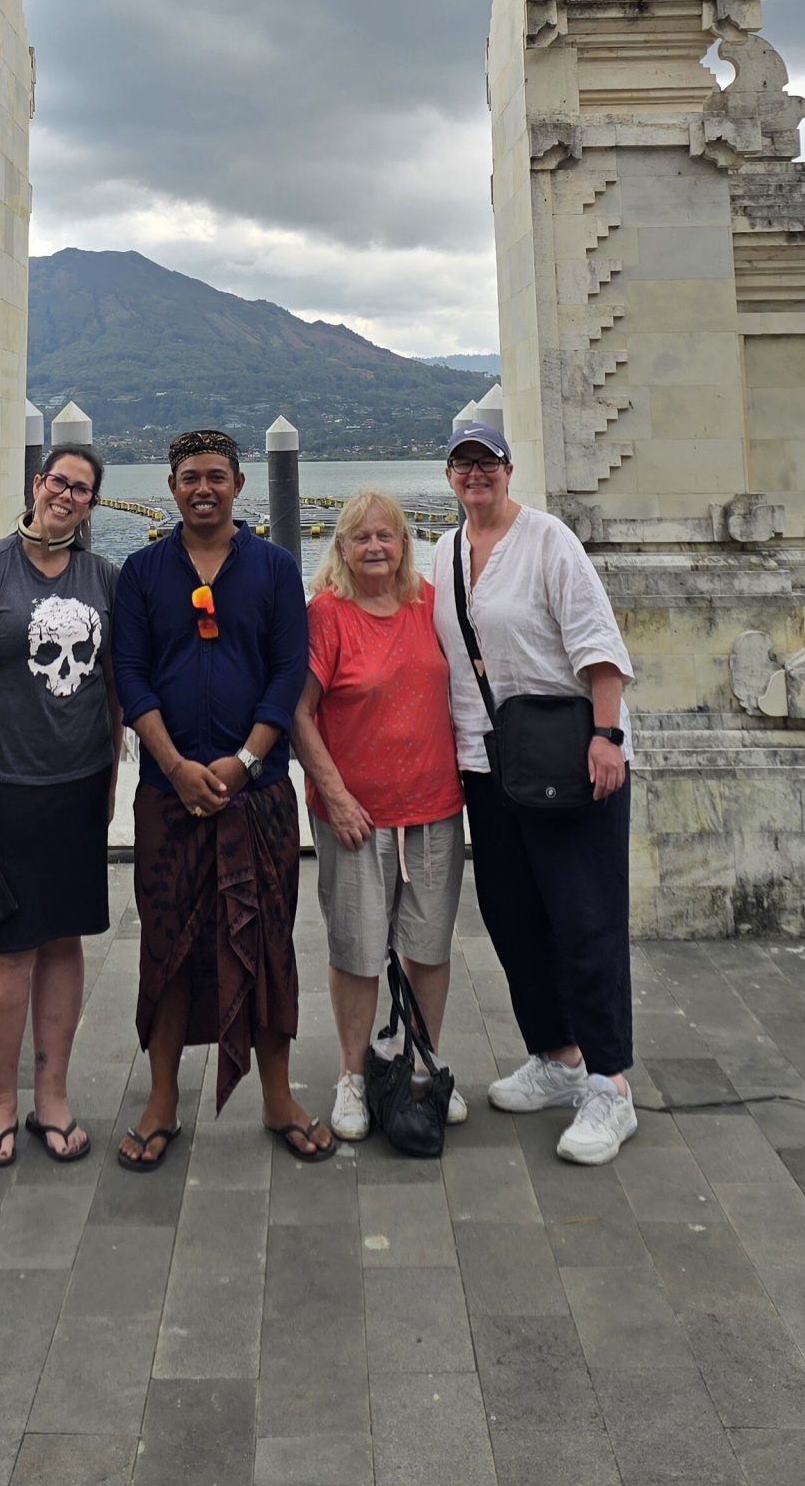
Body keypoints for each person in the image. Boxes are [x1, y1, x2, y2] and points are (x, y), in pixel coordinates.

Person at [109, 427, 330, 1167]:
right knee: (167, 948)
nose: (202, 489)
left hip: (257, 793)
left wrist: (245, 760)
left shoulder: (274, 568)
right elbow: (130, 673)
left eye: (215, 476)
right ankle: (162, 1099)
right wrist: (173, 765)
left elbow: (287, 671)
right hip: (166, 794)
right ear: (171, 488)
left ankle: (277, 1095)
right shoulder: (142, 573)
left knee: (266, 944)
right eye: (189, 478)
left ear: (239, 484)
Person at [429, 421, 638, 1165]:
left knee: (585, 920)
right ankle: (558, 1056)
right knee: (513, 918)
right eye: (463, 464)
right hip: (487, 766)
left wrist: (606, 736)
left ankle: (610, 1085)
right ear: (449, 477)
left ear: (508, 469)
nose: (475, 475)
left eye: (486, 463)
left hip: (572, 759)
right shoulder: (444, 552)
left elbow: (598, 643)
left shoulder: (549, 541)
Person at [0, 443, 121, 1167]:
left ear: (92, 504)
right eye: (58, 482)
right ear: (37, 485)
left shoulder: (102, 579)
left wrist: (111, 782)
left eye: (82, 489)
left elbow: (111, 688)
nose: (66, 496)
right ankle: (1, 1101)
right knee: (9, 949)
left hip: (78, 787)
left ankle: (54, 1095)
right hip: (9, 789)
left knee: (66, 941)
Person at [291, 489, 468, 1142]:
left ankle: (420, 1060)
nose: (374, 546)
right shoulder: (325, 614)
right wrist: (336, 796)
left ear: (404, 544)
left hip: (433, 809)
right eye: (361, 536)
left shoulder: (430, 605)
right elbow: (298, 713)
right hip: (356, 818)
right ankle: (353, 1073)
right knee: (358, 949)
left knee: (428, 946)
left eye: (386, 535)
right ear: (340, 547)